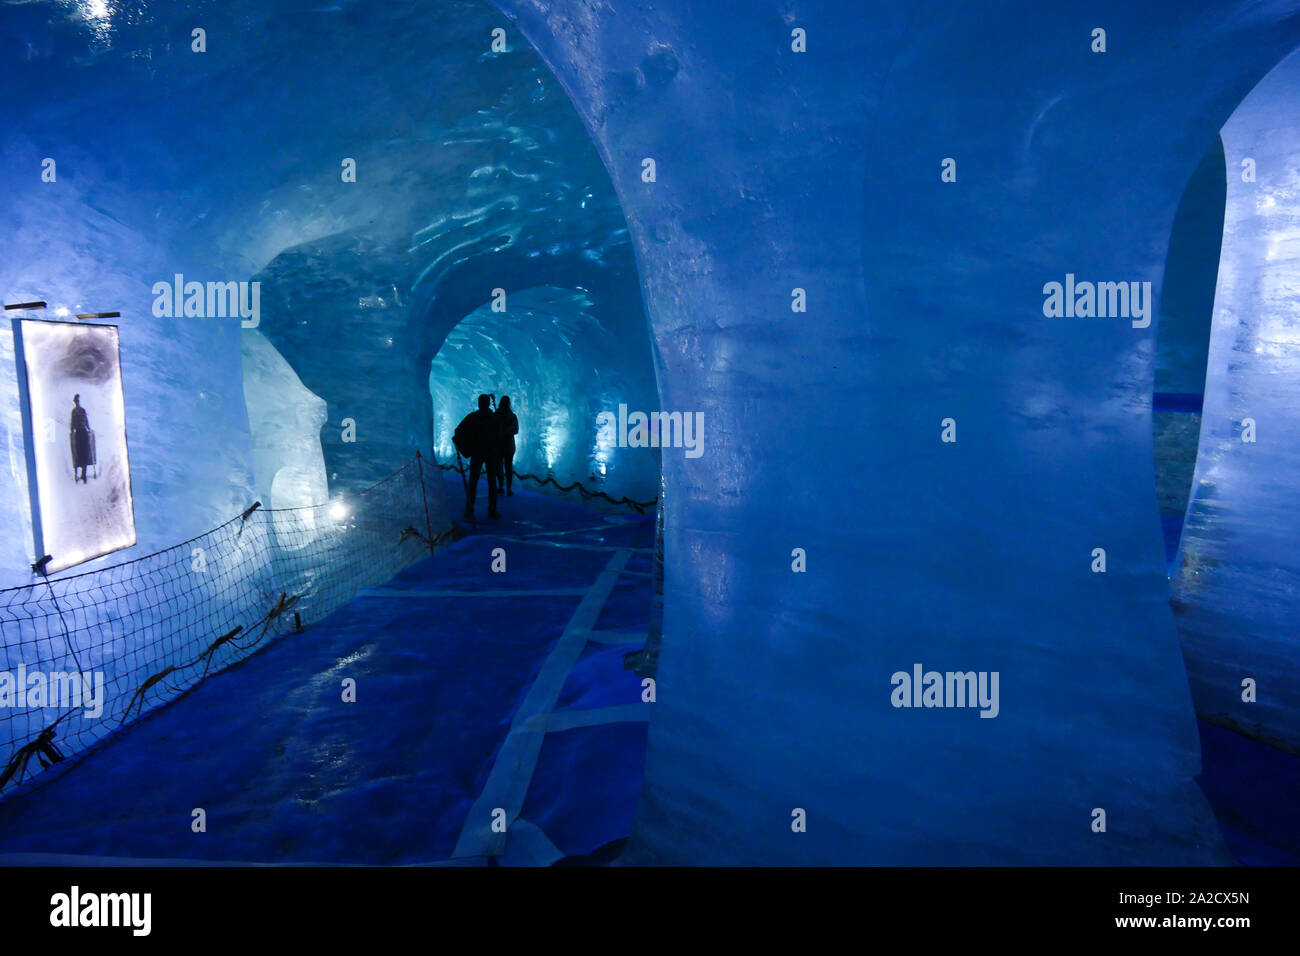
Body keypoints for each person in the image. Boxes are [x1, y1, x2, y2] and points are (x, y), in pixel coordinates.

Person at [453, 394, 501, 520]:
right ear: (488, 404)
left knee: (473, 482)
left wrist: (464, 448)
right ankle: (492, 510)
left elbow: (458, 432)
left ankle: (469, 510)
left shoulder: (473, 417)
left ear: (479, 404)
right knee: (491, 482)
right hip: (491, 454)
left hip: (477, 452)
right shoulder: (494, 418)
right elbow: (500, 436)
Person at [495, 395, 519, 496]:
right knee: (508, 466)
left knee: (499, 466)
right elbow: (516, 430)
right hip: (509, 444)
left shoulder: (496, 415)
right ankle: (509, 489)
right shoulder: (512, 416)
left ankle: (501, 487)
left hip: (499, 444)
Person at [69, 394, 93, 484]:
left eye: (78, 401)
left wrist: (89, 428)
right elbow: (72, 422)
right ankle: (78, 474)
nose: (77, 402)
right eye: (76, 401)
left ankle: (84, 474)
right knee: (78, 453)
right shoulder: (73, 412)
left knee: (85, 452)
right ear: (75, 402)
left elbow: (86, 420)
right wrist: (72, 431)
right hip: (78, 433)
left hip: (84, 432)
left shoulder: (83, 410)